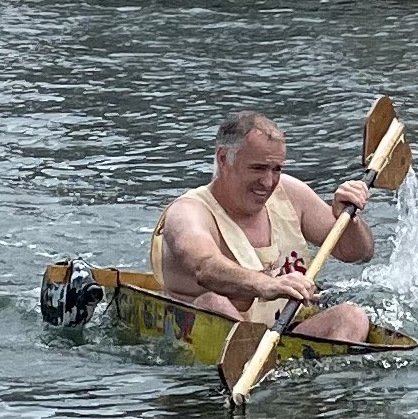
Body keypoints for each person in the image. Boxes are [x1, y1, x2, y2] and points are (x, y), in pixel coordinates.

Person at [149, 112, 373, 343]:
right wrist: (266, 284)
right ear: (224, 158)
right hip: (221, 335)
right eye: (257, 168)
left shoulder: (291, 193)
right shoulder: (188, 212)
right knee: (213, 302)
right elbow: (204, 266)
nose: (268, 182)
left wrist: (350, 218)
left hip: (286, 330)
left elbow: (358, 253)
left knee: (352, 316)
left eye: (276, 169)